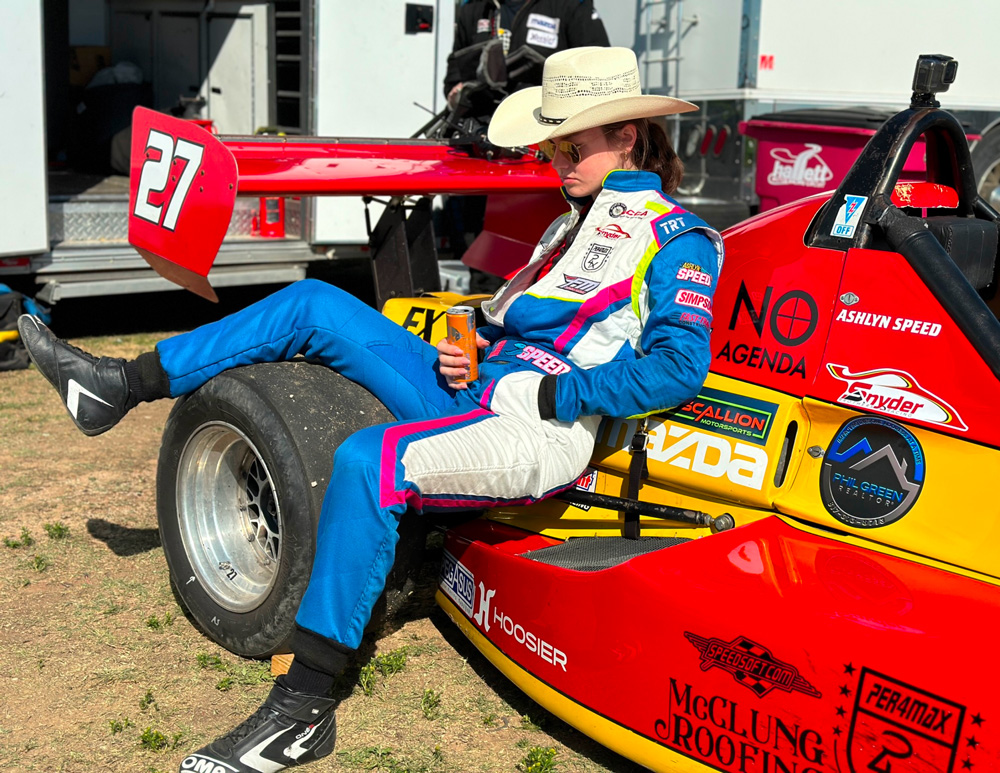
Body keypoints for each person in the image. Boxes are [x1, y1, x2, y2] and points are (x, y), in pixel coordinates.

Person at [18, 47, 722, 773]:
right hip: (475, 388)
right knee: (314, 303)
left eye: (572, 142)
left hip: (538, 424)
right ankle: (118, 384)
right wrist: (468, 342)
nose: (556, 156)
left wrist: (556, 392)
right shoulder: (560, 228)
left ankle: (303, 710)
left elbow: (676, 368)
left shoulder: (677, 239)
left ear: (628, 135)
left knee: (369, 461)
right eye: (551, 140)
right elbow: (496, 323)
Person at [442, 0, 610, 293]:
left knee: (548, 246)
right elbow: (453, 78)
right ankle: (486, 314)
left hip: (546, 151)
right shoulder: (474, 10)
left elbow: (600, 71)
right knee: (480, 252)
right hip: (484, 149)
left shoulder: (570, 6)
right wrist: (463, 92)